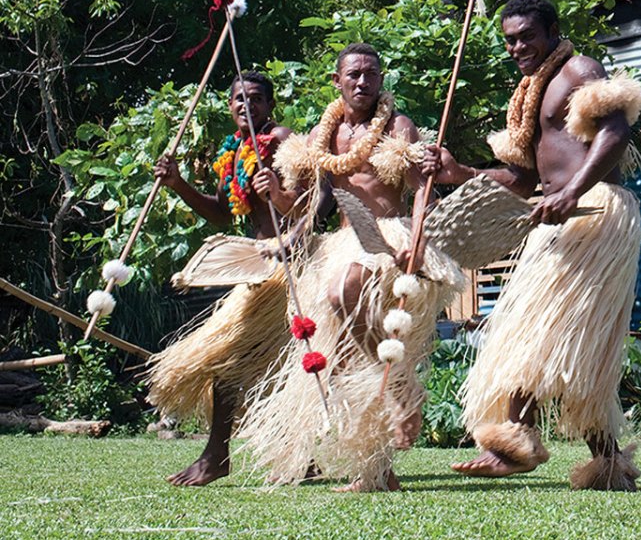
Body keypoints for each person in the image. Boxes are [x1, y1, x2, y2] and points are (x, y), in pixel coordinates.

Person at [428, 0, 641, 490]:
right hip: (555, 217)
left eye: (527, 36)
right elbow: (524, 178)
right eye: (509, 40)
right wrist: (460, 173)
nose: (517, 47)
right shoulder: (531, 91)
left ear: (551, 32)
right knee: (568, 346)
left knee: (540, 332)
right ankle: (609, 466)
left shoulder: (578, 71)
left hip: (595, 214)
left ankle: (515, 439)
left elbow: (616, 133)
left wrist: (573, 190)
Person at [239, 43, 458, 492]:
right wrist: (283, 213)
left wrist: (418, 236)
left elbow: (421, 188)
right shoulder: (327, 132)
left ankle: (401, 385)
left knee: (343, 292)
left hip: (390, 239)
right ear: (337, 81)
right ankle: (376, 472)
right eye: (354, 75)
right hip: (343, 240)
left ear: (380, 80)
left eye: (371, 74)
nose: (363, 82)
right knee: (342, 365)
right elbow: (316, 204)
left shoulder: (398, 126)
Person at [144, 71, 294, 485]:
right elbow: (223, 212)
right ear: (229, 107)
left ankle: (217, 455)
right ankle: (296, 456)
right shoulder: (234, 152)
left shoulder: (281, 140)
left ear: (270, 106)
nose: (247, 106)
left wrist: (278, 194)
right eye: (239, 100)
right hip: (258, 269)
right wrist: (177, 185)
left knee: (229, 359)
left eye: (256, 99)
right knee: (257, 367)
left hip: (291, 267)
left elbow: (314, 202)